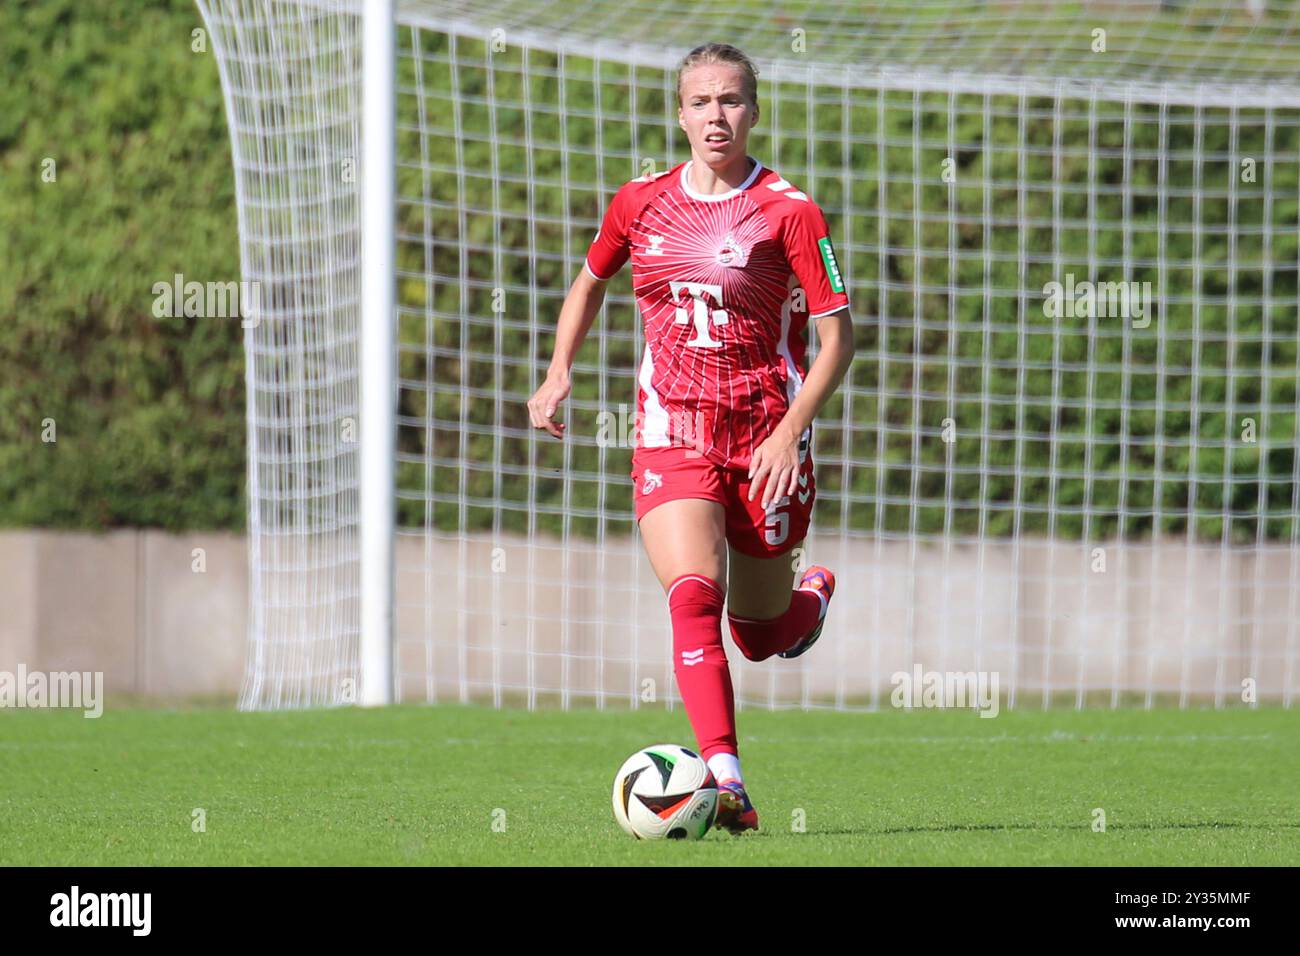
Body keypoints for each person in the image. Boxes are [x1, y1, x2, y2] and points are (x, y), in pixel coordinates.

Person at [527, 42, 855, 834]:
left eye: (732, 100)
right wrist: (557, 369)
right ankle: (727, 780)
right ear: (680, 113)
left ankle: (804, 607)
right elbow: (590, 280)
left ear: (754, 109)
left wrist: (788, 434)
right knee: (693, 596)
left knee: (758, 634)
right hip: (672, 429)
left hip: (767, 437)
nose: (717, 115)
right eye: (703, 101)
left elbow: (838, 337)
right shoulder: (638, 202)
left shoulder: (790, 210)